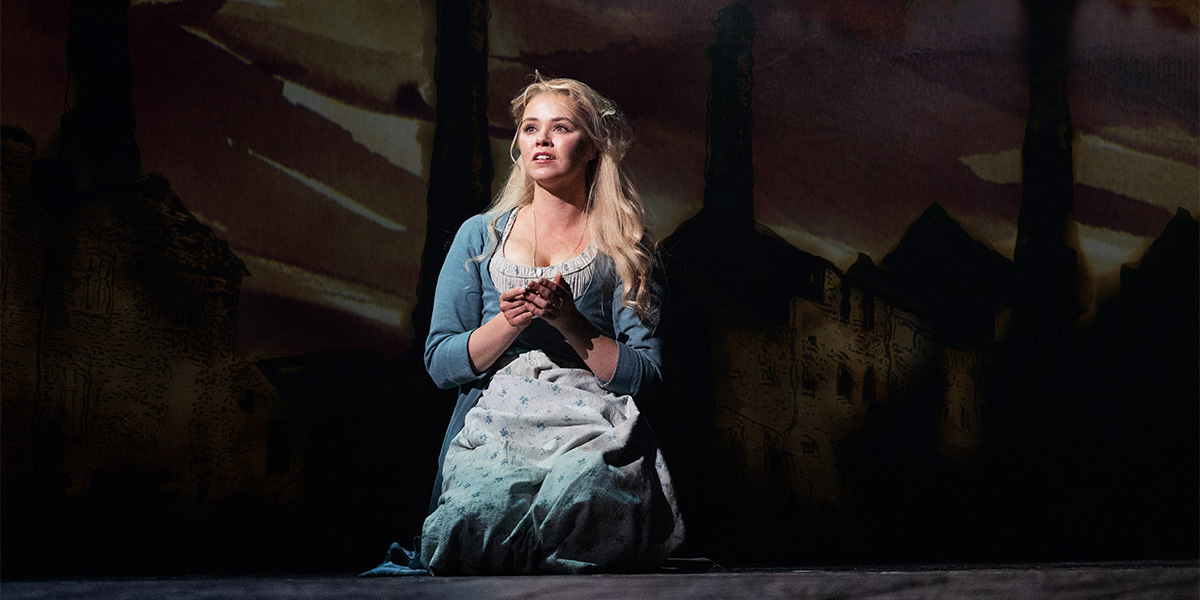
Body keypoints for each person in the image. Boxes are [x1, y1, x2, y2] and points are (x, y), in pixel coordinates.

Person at [419, 74, 684, 575]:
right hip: (498, 422)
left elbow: (647, 376)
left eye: (560, 128)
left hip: (589, 423)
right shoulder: (480, 237)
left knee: (588, 498)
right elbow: (440, 363)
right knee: (480, 520)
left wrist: (570, 322)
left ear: (592, 146)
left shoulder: (623, 245)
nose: (542, 139)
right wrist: (509, 322)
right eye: (530, 128)